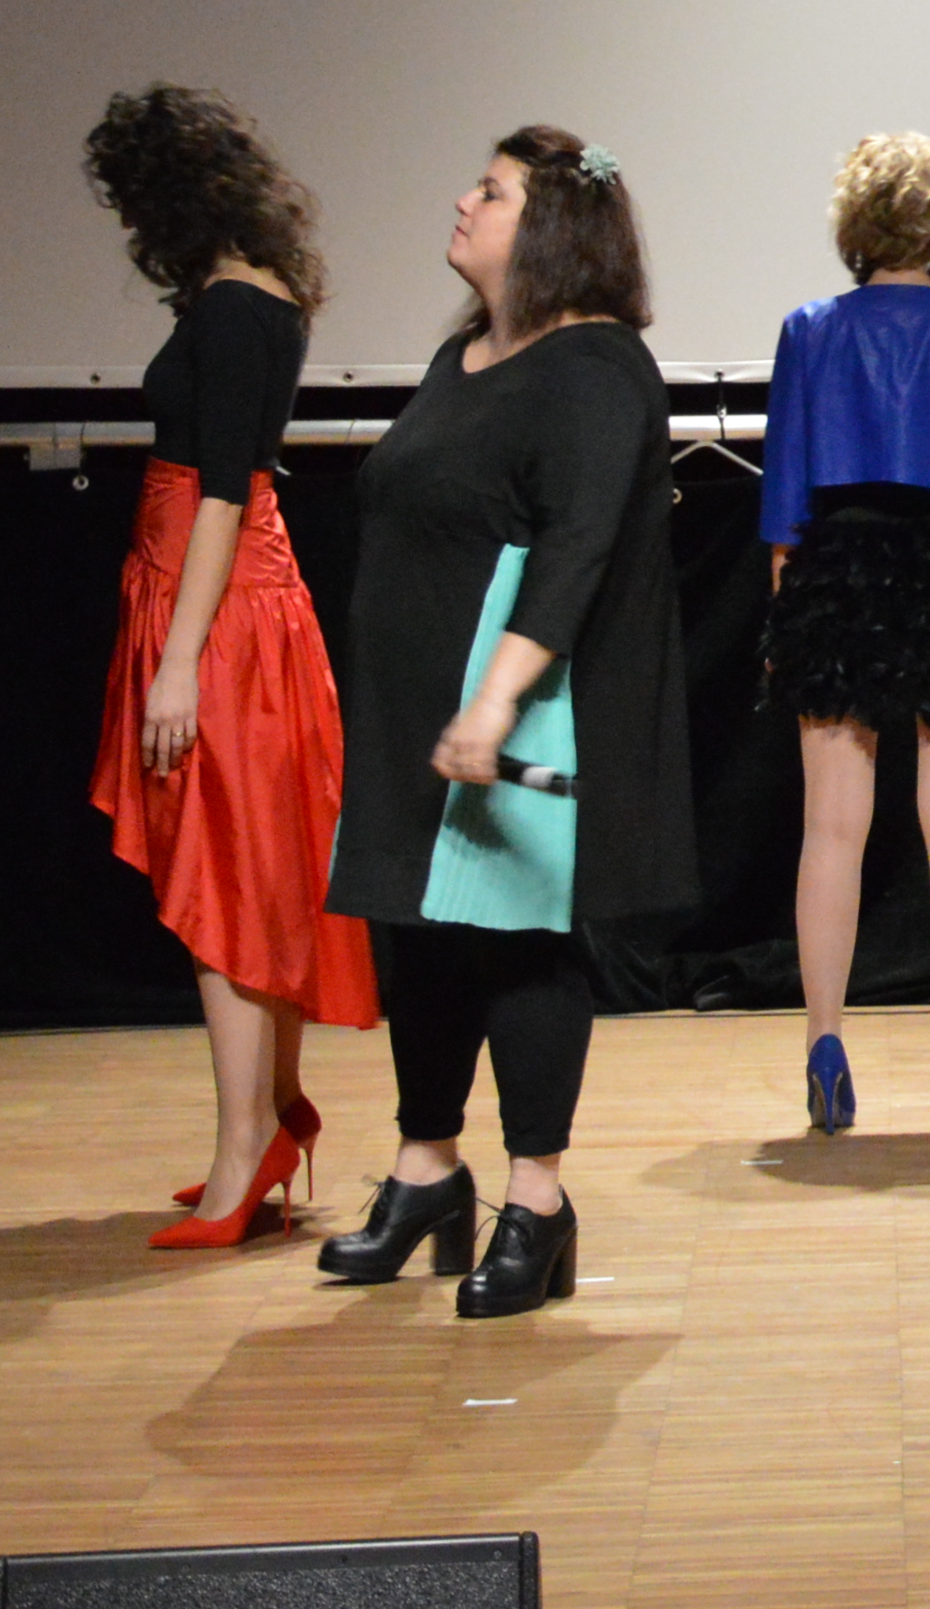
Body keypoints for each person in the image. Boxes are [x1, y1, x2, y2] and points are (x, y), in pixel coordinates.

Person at [314, 128, 698, 1319]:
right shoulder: (466, 355)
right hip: (414, 701)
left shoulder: (596, 367)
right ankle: (428, 1169)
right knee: (420, 934)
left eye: (491, 191)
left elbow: (578, 547)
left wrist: (495, 700)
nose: (463, 201)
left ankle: (538, 1202)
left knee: (519, 942)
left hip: (524, 704)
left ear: (553, 230)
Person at [79, 85, 379, 1248]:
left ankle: (244, 1150)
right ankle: (272, 1118)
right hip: (225, 595)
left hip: (218, 607)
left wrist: (178, 663)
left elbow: (221, 491)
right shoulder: (259, 297)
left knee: (223, 879)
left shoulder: (234, 308)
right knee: (252, 865)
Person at [755, 131, 930, 1137]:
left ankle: (824, 1043)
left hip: (838, 568)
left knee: (832, 828)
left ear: (856, 223)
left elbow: (785, 500)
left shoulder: (809, 331)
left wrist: (788, 619)